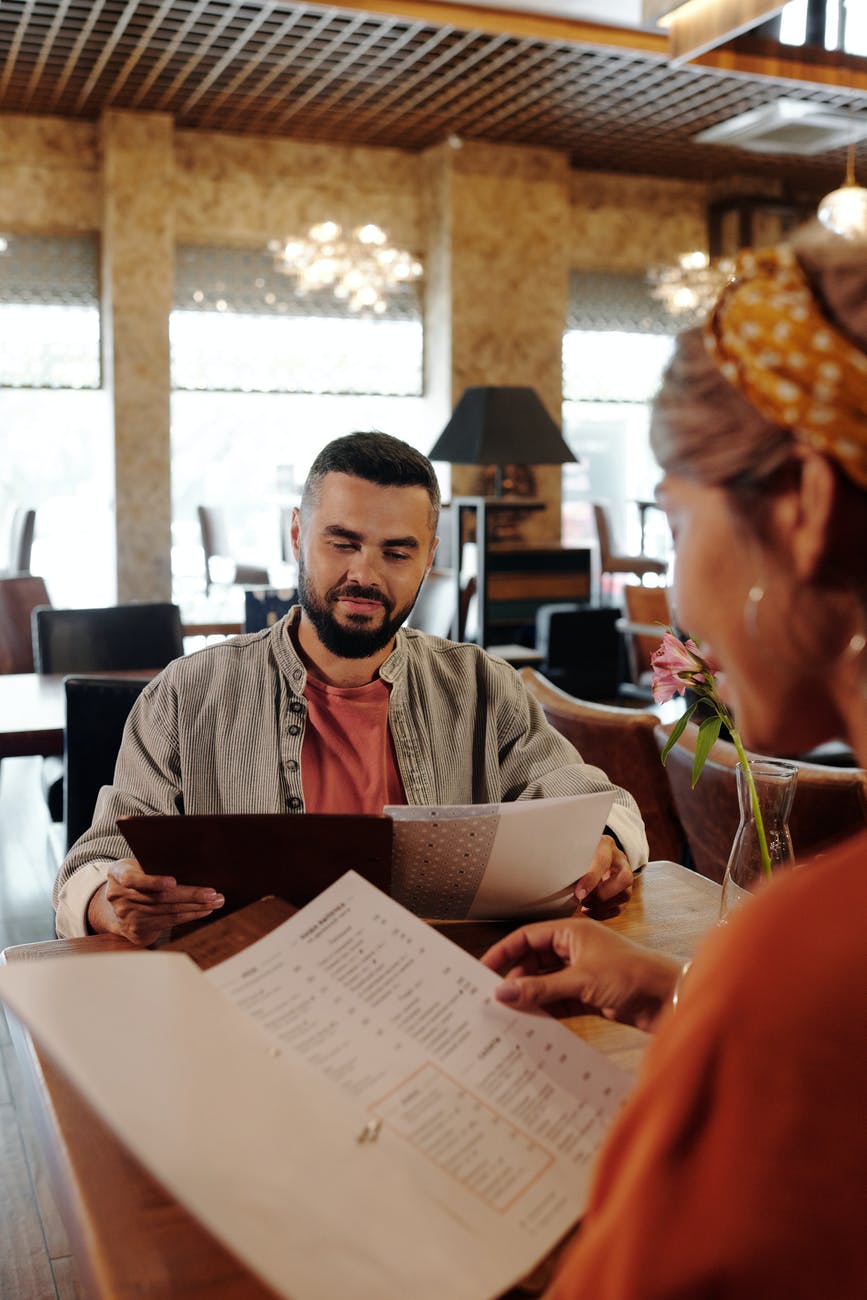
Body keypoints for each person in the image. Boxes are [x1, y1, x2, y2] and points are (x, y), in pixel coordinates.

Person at [482, 225, 867, 1298]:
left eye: (675, 514)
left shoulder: (812, 946)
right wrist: (687, 992)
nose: (679, 602)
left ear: (803, 507)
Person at [54, 432, 647, 944]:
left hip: (438, 991)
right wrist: (111, 905)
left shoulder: (483, 688)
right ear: (296, 535)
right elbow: (92, 862)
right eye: (342, 543)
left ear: (429, 558)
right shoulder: (185, 695)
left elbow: (605, 806)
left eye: (395, 551)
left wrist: (604, 845)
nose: (364, 574)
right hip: (245, 1002)